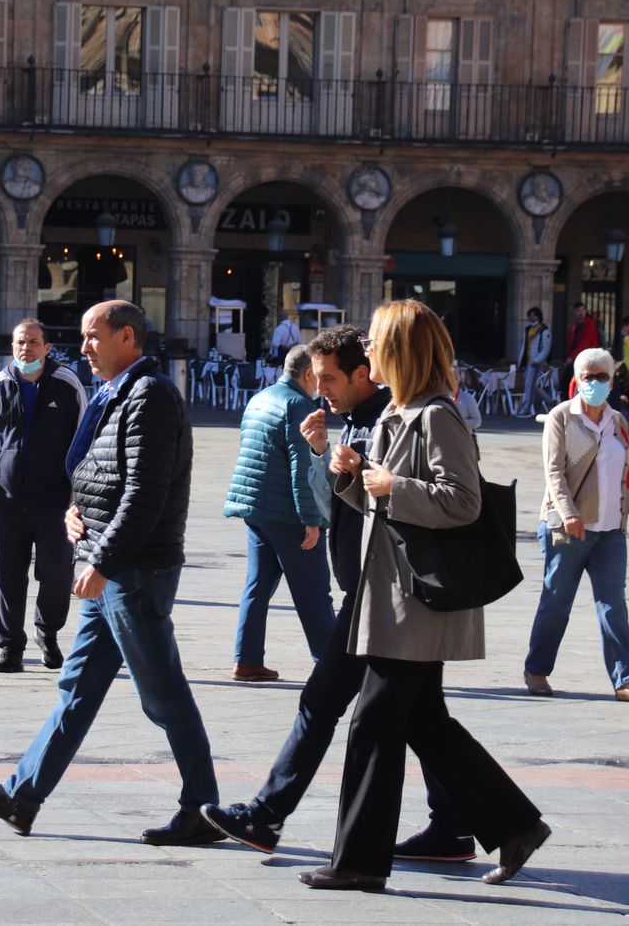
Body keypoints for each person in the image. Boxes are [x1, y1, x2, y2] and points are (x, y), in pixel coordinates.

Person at [203, 324, 481, 865]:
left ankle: (270, 816)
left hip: (392, 592)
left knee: (325, 702)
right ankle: (459, 824)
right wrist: (322, 455)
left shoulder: (405, 416)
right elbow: (348, 506)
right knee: (426, 719)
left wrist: (377, 481)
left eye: (328, 377)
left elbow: (454, 499)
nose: (318, 387)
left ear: (364, 372)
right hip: (374, 586)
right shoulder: (357, 419)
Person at [297, 300, 548, 891]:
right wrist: (352, 476)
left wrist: (391, 484)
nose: (370, 354)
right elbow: (379, 504)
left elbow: (463, 502)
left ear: (401, 352)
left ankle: (359, 861)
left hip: (414, 602)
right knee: (426, 725)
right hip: (387, 595)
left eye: (379, 343)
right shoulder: (397, 414)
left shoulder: (438, 417)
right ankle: (516, 826)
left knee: (373, 724)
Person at [0, 300, 222, 846]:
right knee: (76, 687)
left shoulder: (149, 396)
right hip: (111, 565)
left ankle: (201, 807)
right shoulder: (114, 394)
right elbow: (102, 472)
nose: (83, 348)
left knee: (163, 693)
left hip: (134, 571)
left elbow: (144, 492)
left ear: (128, 337)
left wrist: (103, 560)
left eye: (92, 336)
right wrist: (77, 507)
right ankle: (22, 797)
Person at [525, 348, 629, 704]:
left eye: (603, 377)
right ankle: (537, 670)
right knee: (556, 601)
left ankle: (626, 681)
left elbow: (627, 480)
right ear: (577, 380)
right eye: (589, 377)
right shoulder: (563, 418)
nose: (596, 383)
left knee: (613, 604)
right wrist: (569, 513)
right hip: (566, 527)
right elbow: (554, 472)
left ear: (613, 381)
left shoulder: (618, 422)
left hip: (610, 532)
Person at [0, 319, 87, 673]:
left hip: (56, 503)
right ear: (12, 346)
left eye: (33, 342)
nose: (26, 349)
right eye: (21, 342)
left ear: (47, 348)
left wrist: (79, 496)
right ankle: (9, 648)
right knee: (7, 575)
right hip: (8, 499)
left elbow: (84, 445)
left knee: (57, 573)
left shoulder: (67, 385)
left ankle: (47, 633)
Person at [223, 344, 335, 682]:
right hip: (286, 512)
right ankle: (331, 665)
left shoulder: (260, 398)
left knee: (257, 586)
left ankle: (247, 659)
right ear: (306, 374)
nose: (322, 385)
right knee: (314, 589)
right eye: (319, 376)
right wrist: (312, 521)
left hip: (256, 507)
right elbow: (305, 471)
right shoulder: (300, 405)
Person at [518, 307, 552, 416]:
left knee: (529, 384)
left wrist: (537, 360)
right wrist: (520, 361)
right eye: (530, 315)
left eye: (534, 315)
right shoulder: (528, 329)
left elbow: (546, 348)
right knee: (532, 386)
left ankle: (526, 407)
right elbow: (524, 346)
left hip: (536, 362)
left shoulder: (543, 330)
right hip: (528, 361)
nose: (531, 317)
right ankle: (549, 401)